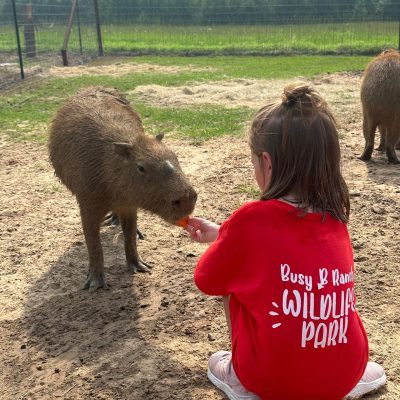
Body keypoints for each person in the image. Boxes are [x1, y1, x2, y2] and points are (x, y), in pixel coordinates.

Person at [184, 83, 386, 400]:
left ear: (267, 163)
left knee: (232, 283)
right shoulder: (335, 218)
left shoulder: (250, 219)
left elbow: (207, 279)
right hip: (345, 371)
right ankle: (339, 376)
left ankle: (239, 376)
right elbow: (286, 242)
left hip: (270, 379)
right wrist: (222, 233)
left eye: (253, 164)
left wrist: (224, 239)